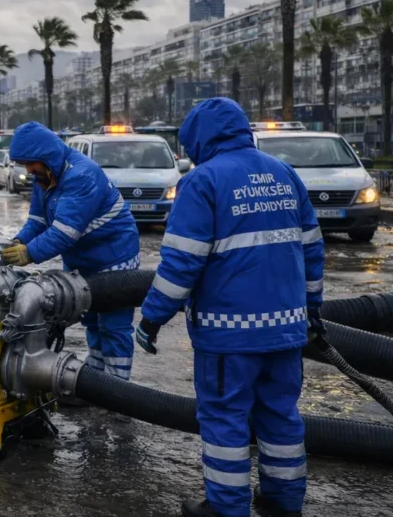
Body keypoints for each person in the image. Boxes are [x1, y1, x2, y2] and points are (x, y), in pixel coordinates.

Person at [134, 98, 325, 517]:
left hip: (229, 334)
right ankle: (283, 502)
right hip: (287, 330)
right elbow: (312, 249)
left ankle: (226, 508)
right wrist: (312, 309)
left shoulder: (202, 182)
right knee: (281, 418)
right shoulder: (284, 174)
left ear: (200, 140)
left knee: (224, 421)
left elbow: (181, 263)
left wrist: (152, 317)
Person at [0, 121, 141, 380]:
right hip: (82, 261)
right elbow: (38, 222)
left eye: (31, 163)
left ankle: (118, 388)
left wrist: (28, 254)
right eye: (24, 164)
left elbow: (64, 233)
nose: (29, 170)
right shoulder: (45, 177)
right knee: (90, 320)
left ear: (46, 156)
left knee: (113, 324)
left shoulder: (82, 175)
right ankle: (98, 379)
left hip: (114, 257)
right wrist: (18, 242)